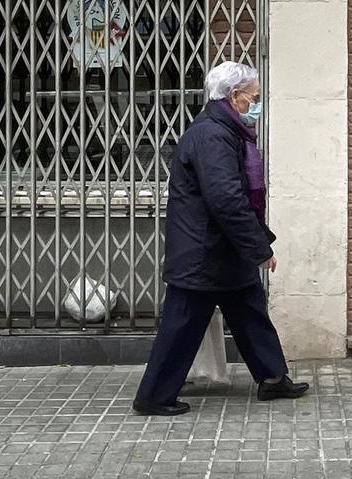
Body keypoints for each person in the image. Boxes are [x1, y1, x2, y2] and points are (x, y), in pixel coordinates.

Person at [132, 61, 309, 416]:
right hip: (203, 251)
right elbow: (226, 198)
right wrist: (258, 247)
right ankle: (153, 396)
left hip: (220, 249)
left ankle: (273, 379)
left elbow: (235, 196)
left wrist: (254, 243)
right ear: (235, 96)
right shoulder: (213, 134)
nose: (256, 104)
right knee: (182, 323)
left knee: (249, 310)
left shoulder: (223, 130)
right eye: (254, 97)